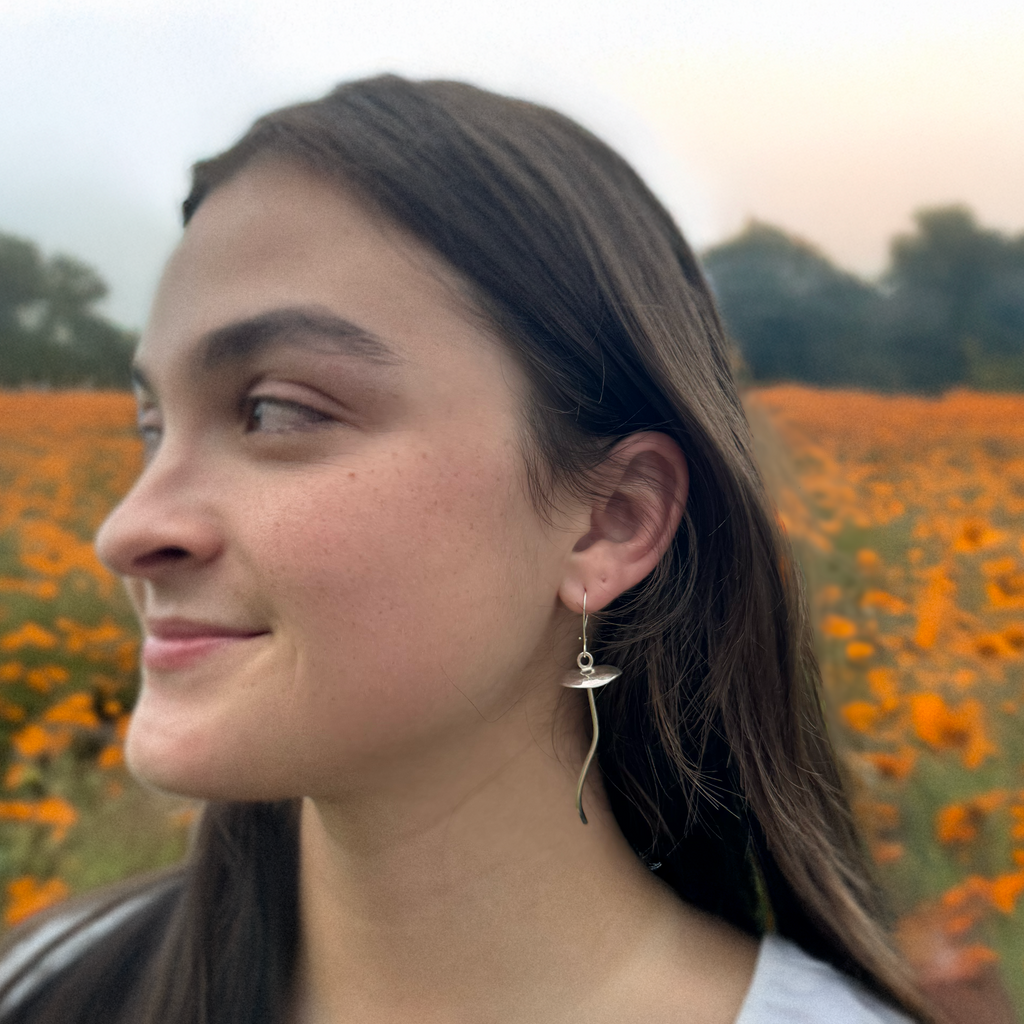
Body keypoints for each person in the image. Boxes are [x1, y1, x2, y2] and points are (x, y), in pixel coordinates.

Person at [0, 75, 931, 1024]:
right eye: (152, 426)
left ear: (611, 519)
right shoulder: (46, 985)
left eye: (276, 411)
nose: (125, 531)